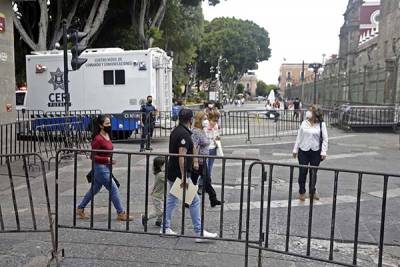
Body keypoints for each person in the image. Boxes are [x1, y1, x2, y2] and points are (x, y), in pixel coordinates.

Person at [162, 108, 218, 242]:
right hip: (178, 174)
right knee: (194, 201)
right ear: (190, 119)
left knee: (172, 199)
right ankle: (199, 233)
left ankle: (165, 227)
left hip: (173, 172)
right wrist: (183, 177)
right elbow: (181, 155)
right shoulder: (184, 134)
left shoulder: (176, 130)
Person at [76, 115, 131, 221]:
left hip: (106, 167)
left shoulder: (107, 135)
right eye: (107, 123)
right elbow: (93, 156)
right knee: (114, 189)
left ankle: (80, 208)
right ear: (101, 125)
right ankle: (121, 213)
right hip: (101, 168)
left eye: (109, 123)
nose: (109, 125)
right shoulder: (98, 139)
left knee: (94, 189)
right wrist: (107, 160)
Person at [292, 106, 328, 201]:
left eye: (311, 111)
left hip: (315, 152)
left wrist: (323, 151)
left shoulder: (321, 124)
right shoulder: (304, 123)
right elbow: (299, 137)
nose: (308, 112)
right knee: (303, 172)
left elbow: (325, 139)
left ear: (315, 114)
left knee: (313, 172)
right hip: (303, 151)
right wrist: (295, 150)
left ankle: (312, 191)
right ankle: (302, 191)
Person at [191, 111, 222, 207]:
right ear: (199, 120)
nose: (206, 121)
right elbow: (194, 147)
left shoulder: (201, 130)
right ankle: (213, 198)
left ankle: (213, 199)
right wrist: (195, 161)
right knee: (201, 180)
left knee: (198, 180)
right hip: (198, 161)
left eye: (206, 119)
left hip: (202, 159)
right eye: (204, 119)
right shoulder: (196, 131)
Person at [142, 156, 166, 227]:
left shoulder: (159, 173)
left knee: (160, 208)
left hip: (158, 195)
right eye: (165, 164)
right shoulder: (161, 175)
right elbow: (168, 178)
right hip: (157, 196)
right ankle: (146, 217)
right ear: (160, 166)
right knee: (160, 211)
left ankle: (159, 221)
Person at [205, 112, 220, 181]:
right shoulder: (205, 125)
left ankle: (207, 181)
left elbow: (217, 136)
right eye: (213, 120)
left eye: (216, 121)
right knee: (206, 167)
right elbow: (203, 138)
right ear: (209, 119)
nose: (214, 122)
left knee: (210, 166)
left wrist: (217, 138)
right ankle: (204, 183)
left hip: (213, 147)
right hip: (206, 148)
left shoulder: (216, 126)